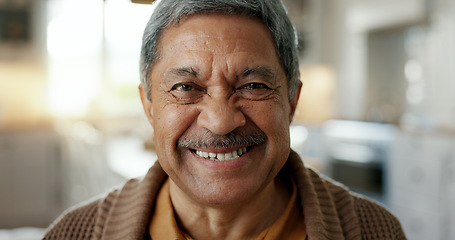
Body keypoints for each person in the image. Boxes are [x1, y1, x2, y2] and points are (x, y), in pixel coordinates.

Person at [44, 0, 407, 239]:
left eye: (252, 85)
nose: (220, 121)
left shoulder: (373, 231)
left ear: (292, 101)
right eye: (186, 86)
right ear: (149, 105)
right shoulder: (74, 233)